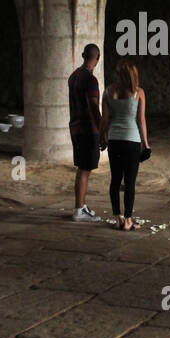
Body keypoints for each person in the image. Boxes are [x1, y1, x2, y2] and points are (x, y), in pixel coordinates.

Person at [100, 58, 150, 231]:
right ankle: (128, 220)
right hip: (132, 141)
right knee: (130, 182)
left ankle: (117, 218)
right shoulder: (139, 93)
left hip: (114, 140)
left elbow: (104, 120)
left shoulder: (107, 92)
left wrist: (102, 138)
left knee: (115, 180)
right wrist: (146, 144)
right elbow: (141, 120)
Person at [68, 43, 104, 221]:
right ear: (98, 59)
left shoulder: (73, 76)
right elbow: (93, 107)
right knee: (85, 169)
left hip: (75, 127)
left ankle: (80, 205)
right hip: (87, 130)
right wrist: (102, 131)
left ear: (83, 55)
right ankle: (79, 210)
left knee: (82, 168)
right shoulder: (90, 80)